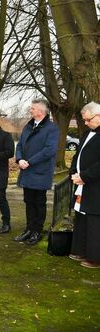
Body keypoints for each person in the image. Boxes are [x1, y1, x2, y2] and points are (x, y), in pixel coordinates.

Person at [14, 98, 59, 245]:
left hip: (40, 171)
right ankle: (28, 229)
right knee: (28, 201)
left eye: (32, 108)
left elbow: (49, 150)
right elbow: (19, 145)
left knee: (39, 203)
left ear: (41, 111)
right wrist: (20, 159)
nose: (30, 110)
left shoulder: (51, 128)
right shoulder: (28, 126)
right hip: (26, 169)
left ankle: (37, 231)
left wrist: (30, 161)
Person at [69, 101, 100, 269]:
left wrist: (85, 176)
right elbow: (77, 155)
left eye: (88, 120)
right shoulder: (87, 133)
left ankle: (95, 257)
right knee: (81, 217)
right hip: (81, 182)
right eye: (84, 120)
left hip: (95, 184)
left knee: (95, 221)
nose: (86, 123)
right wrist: (74, 172)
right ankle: (81, 249)